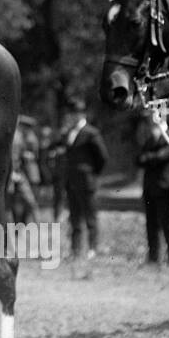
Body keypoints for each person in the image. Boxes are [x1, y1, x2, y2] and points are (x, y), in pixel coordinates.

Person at [59, 97, 109, 259]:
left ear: (82, 114)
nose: (73, 116)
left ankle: (92, 248)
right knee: (74, 217)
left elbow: (102, 157)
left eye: (76, 113)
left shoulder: (91, 133)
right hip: (71, 181)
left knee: (90, 216)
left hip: (87, 181)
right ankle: (75, 249)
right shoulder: (69, 133)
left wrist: (92, 173)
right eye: (71, 113)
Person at [137, 117, 169, 265]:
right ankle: (153, 257)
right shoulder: (150, 139)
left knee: (167, 223)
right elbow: (138, 159)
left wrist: (148, 157)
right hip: (149, 187)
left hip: (164, 187)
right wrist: (150, 157)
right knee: (151, 224)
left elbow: (163, 156)